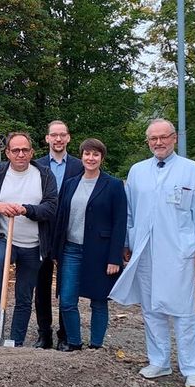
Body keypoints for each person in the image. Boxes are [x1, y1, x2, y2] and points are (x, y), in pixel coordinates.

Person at [110, 118, 195, 387]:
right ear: (148, 141)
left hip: (177, 249)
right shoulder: (137, 171)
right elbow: (129, 211)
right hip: (144, 248)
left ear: (174, 138)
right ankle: (159, 361)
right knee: (151, 308)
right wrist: (126, 242)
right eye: (153, 138)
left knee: (183, 310)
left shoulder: (190, 170)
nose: (158, 142)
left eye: (163, 137)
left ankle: (192, 368)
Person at [0, 132, 57, 346]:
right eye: (15, 150)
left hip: (34, 245)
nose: (20, 154)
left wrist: (26, 210)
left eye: (25, 150)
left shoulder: (44, 175)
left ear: (32, 152)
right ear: (7, 153)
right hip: (4, 238)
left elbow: (51, 208)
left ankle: (16, 341)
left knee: (24, 295)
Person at [53, 138, 126, 351]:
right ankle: (74, 343)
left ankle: (96, 347)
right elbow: (61, 218)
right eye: (87, 154)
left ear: (102, 158)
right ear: (81, 156)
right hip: (71, 249)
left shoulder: (113, 185)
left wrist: (115, 258)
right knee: (67, 300)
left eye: (95, 154)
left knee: (98, 300)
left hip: (100, 252)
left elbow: (119, 223)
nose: (91, 158)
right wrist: (56, 250)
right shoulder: (70, 184)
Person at [34, 120, 84, 349]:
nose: (58, 139)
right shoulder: (37, 166)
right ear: (47, 138)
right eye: (54, 135)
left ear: (68, 138)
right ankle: (44, 334)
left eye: (62, 135)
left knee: (67, 287)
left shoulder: (79, 166)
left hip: (69, 233)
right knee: (41, 286)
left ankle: (65, 334)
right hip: (43, 232)